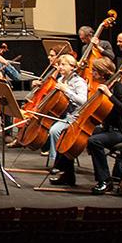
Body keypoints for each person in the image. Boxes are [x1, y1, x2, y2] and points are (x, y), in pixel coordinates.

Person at [45, 55, 96, 187]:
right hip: (65, 115)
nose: (60, 67)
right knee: (54, 131)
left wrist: (66, 90)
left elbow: (83, 101)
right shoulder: (61, 79)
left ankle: (58, 164)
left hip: (76, 118)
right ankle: (65, 171)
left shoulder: (79, 82)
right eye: (60, 65)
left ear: (72, 67)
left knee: (55, 131)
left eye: (63, 65)